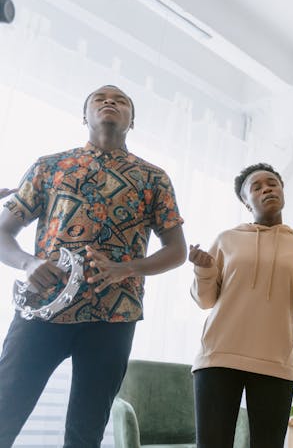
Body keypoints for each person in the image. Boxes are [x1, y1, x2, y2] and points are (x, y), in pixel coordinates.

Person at [0, 85, 186, 447]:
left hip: (114, 317)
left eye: (120, 100)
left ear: (132, 121)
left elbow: (176, 250)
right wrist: (28, 262)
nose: (110, 102)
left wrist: (127, 268)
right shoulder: (49, 166)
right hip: (43, 308)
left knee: (86, 432)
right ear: (84, 116)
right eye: (100, 99)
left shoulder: (154, 178)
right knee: (5, 409)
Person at [189, 162, 293, 448]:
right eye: (257, 187)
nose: (267, 189)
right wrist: (203, 271)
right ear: (245, 201)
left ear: (283, 191)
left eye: (272, 183)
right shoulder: (227, 239)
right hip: (218, 357)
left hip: (276, 363)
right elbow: (205, 300)